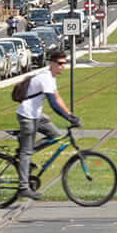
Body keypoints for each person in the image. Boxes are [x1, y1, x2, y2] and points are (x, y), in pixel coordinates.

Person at [14, 47, 79, 200]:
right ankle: (23, 186)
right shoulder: (45, 78)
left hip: (37, 114)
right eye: (60, 63)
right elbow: (53, 104)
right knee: (26, 152)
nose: (62, 66)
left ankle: (25, 153)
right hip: (27, 115)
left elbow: (58, 98)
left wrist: (70, 114)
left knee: (55, 135)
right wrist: (67, 118)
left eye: (64, 63)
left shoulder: (51, 78)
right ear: (52, 63)